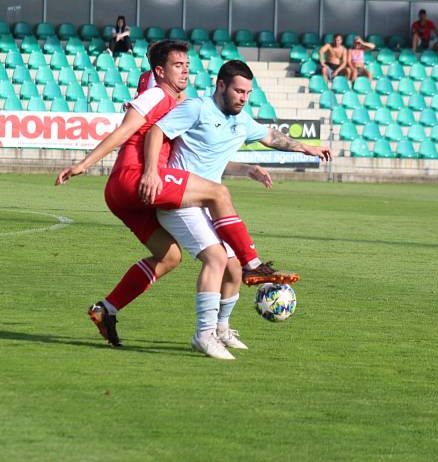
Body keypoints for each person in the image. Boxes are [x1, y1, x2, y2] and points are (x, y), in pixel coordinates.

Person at [55, 40, 297, 347]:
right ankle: (250, 267)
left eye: (187, 65)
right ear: (160, 72)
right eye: (178, 65)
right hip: (135, 180)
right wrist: (84, 164)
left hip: (133, 195)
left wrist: (244, 168)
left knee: (169, 257)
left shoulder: (178, 104)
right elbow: (124, 132)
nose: (186, 71)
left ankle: (107, 309)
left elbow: (204, 156)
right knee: (218, 211)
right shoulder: (157, 94)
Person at [141, 60, 331, 359]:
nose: (243, 98)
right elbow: (156, 132)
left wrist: (305, 148)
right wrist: (151, 171)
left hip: (207, 204)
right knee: (216, 259)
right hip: (178, 200)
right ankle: (203, 335)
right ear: (221, 86)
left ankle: (220, 329)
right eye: (238, 91)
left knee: (232, 267)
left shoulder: (242, 121)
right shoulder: (197, 108)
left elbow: (273, 138)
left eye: (248, 93)